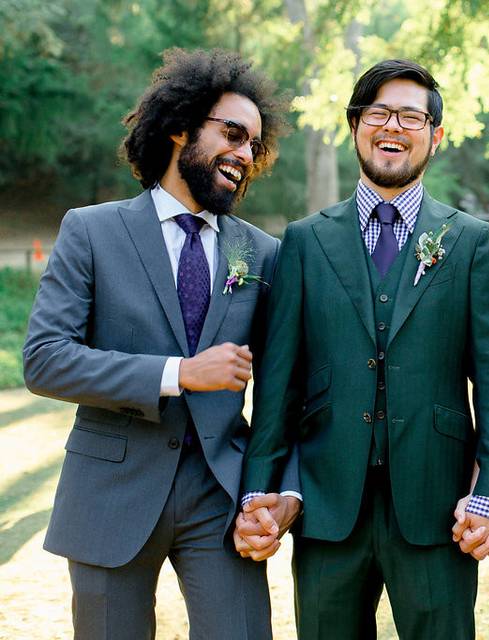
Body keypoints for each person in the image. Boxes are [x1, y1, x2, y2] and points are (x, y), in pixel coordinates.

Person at [235, 59, 489, 639]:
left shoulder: (469, 242)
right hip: (325, 501)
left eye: (412, 116)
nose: (394, 126)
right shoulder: (305, 240)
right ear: (355, 125)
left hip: (436, 504)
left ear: (435, 135)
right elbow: (279, 378)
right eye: (379, 113)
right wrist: (261, 489)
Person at [21, 48, 293, 639]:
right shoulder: (90, 231)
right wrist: (178, 373)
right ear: (178, 128)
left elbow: (288, 390)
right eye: (231, 134)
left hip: (222, 497)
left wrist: (277, 488)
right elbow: (45, 360)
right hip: (109, 492)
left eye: (254, 144)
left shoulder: (264, 254)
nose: (245, 154)